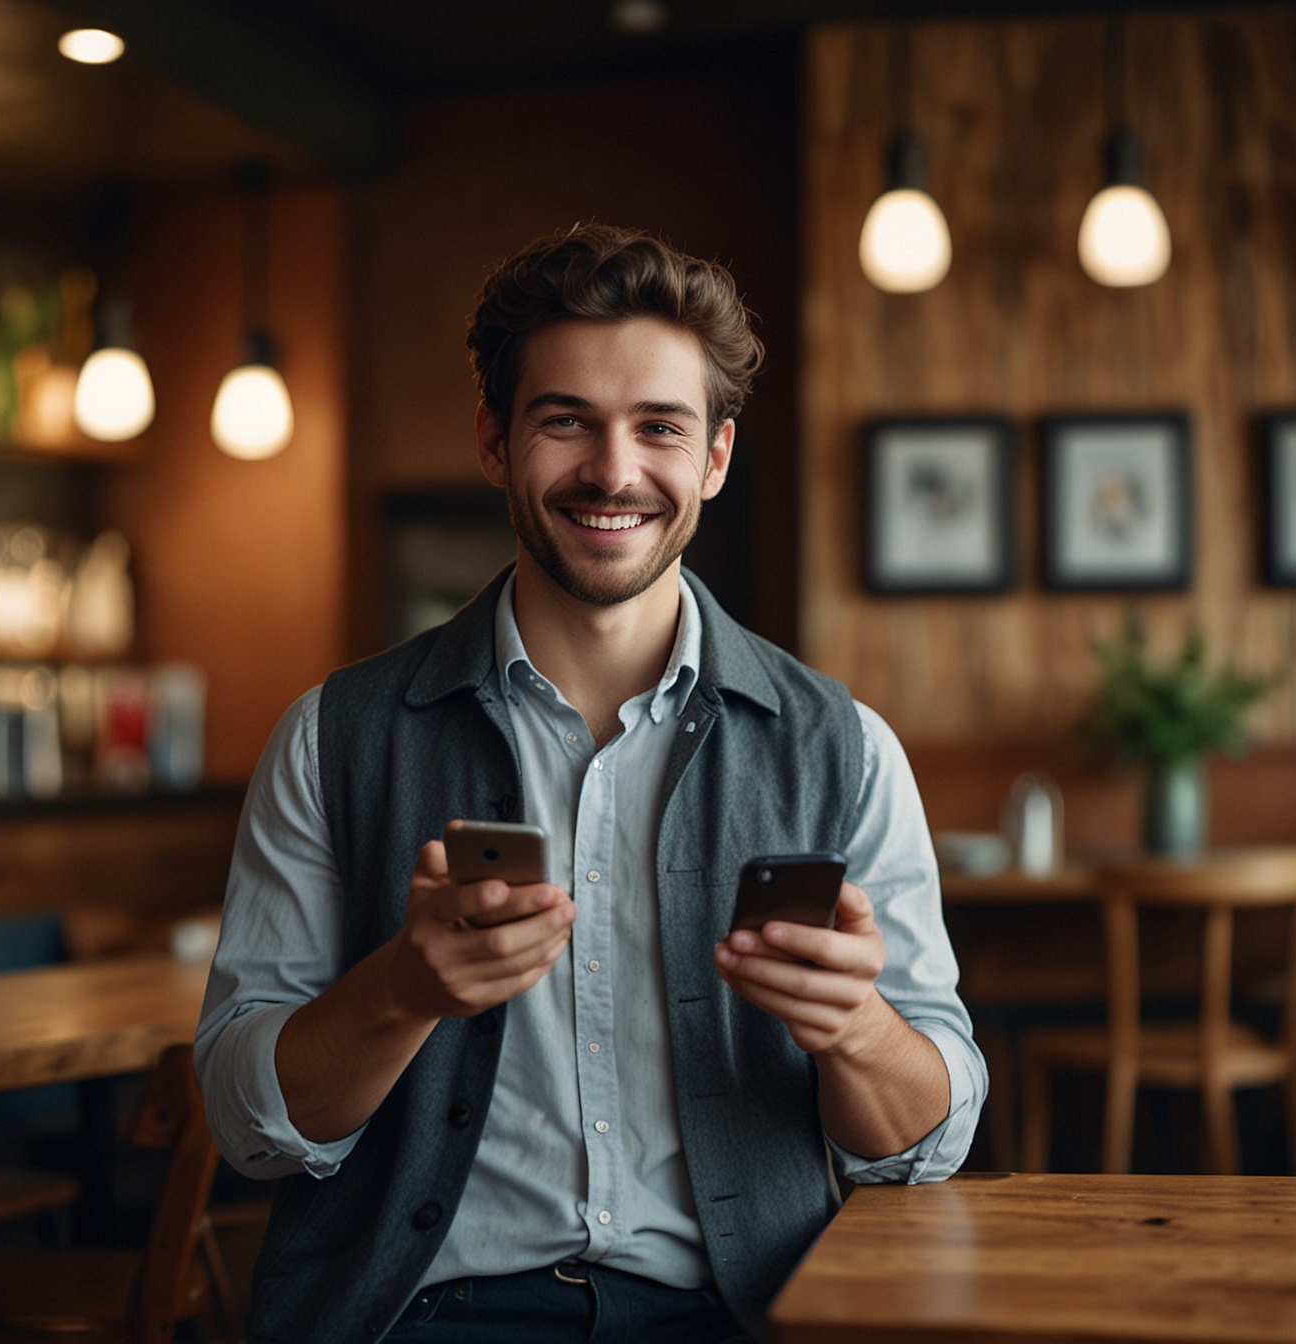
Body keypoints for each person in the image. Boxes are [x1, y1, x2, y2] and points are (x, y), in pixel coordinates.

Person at [194, 223, 984, 1344]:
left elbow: (925, 1146)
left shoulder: (844, 747)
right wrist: (400, 992)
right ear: (495, 440)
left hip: (740, 1319)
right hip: (424, 1320)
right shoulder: (331, 736)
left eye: (659, 427)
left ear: (714, 458)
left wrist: (854, 1027)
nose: (613, 471)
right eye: (565, 420)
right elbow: (246, 1128)